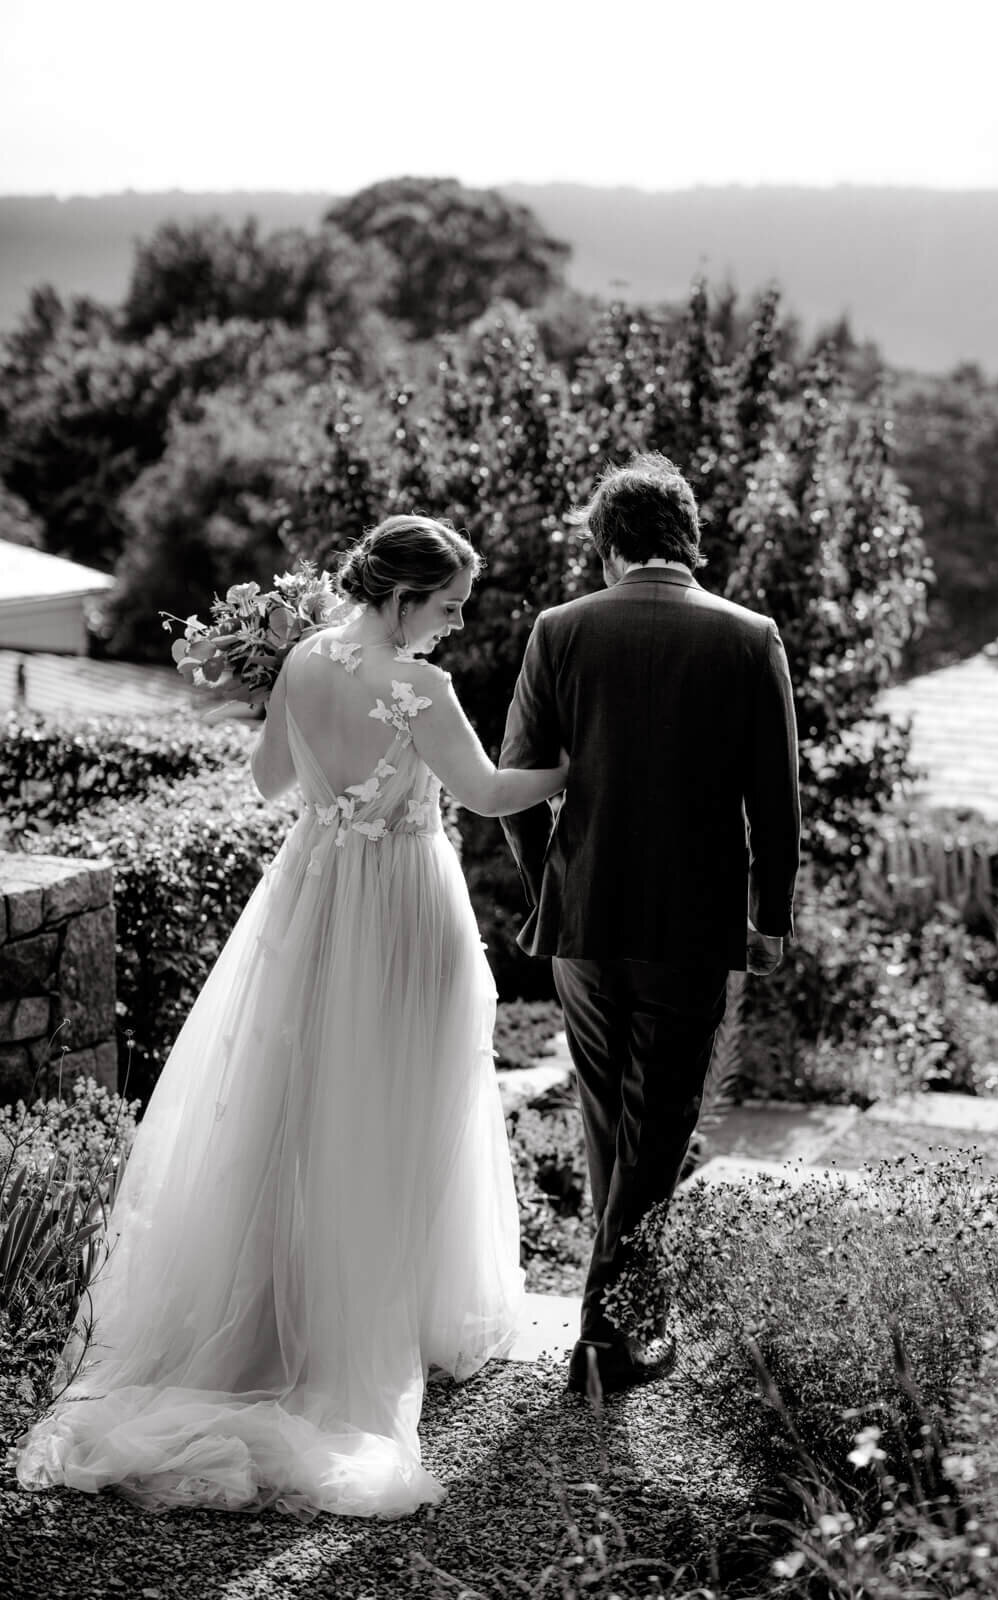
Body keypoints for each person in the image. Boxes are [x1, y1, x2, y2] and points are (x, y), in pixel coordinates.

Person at [13, 515, 567, 1519]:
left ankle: (275, 1308)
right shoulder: (422, 689)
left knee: (295, 1106)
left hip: (310, 901)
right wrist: (579, 770)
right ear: (401, 600)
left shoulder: (305, 662)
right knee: (394, 1109)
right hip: (400, 908)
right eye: (447, 607)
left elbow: (270, 781)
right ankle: (366, 1319)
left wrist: (329, 764)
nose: (453, 625)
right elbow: (485, 794)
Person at [500, 453, 801, 1396]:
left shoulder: (560, 629)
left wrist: (554, 877)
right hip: (692, 922)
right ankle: (608, 1331)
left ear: (605, 544)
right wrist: (771, 915)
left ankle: (630, 1313)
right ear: (690, 537)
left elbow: (515, 784)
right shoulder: (750, 637)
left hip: (582, 922)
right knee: (657, 1125)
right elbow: (777, 801)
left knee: (609, 1116)